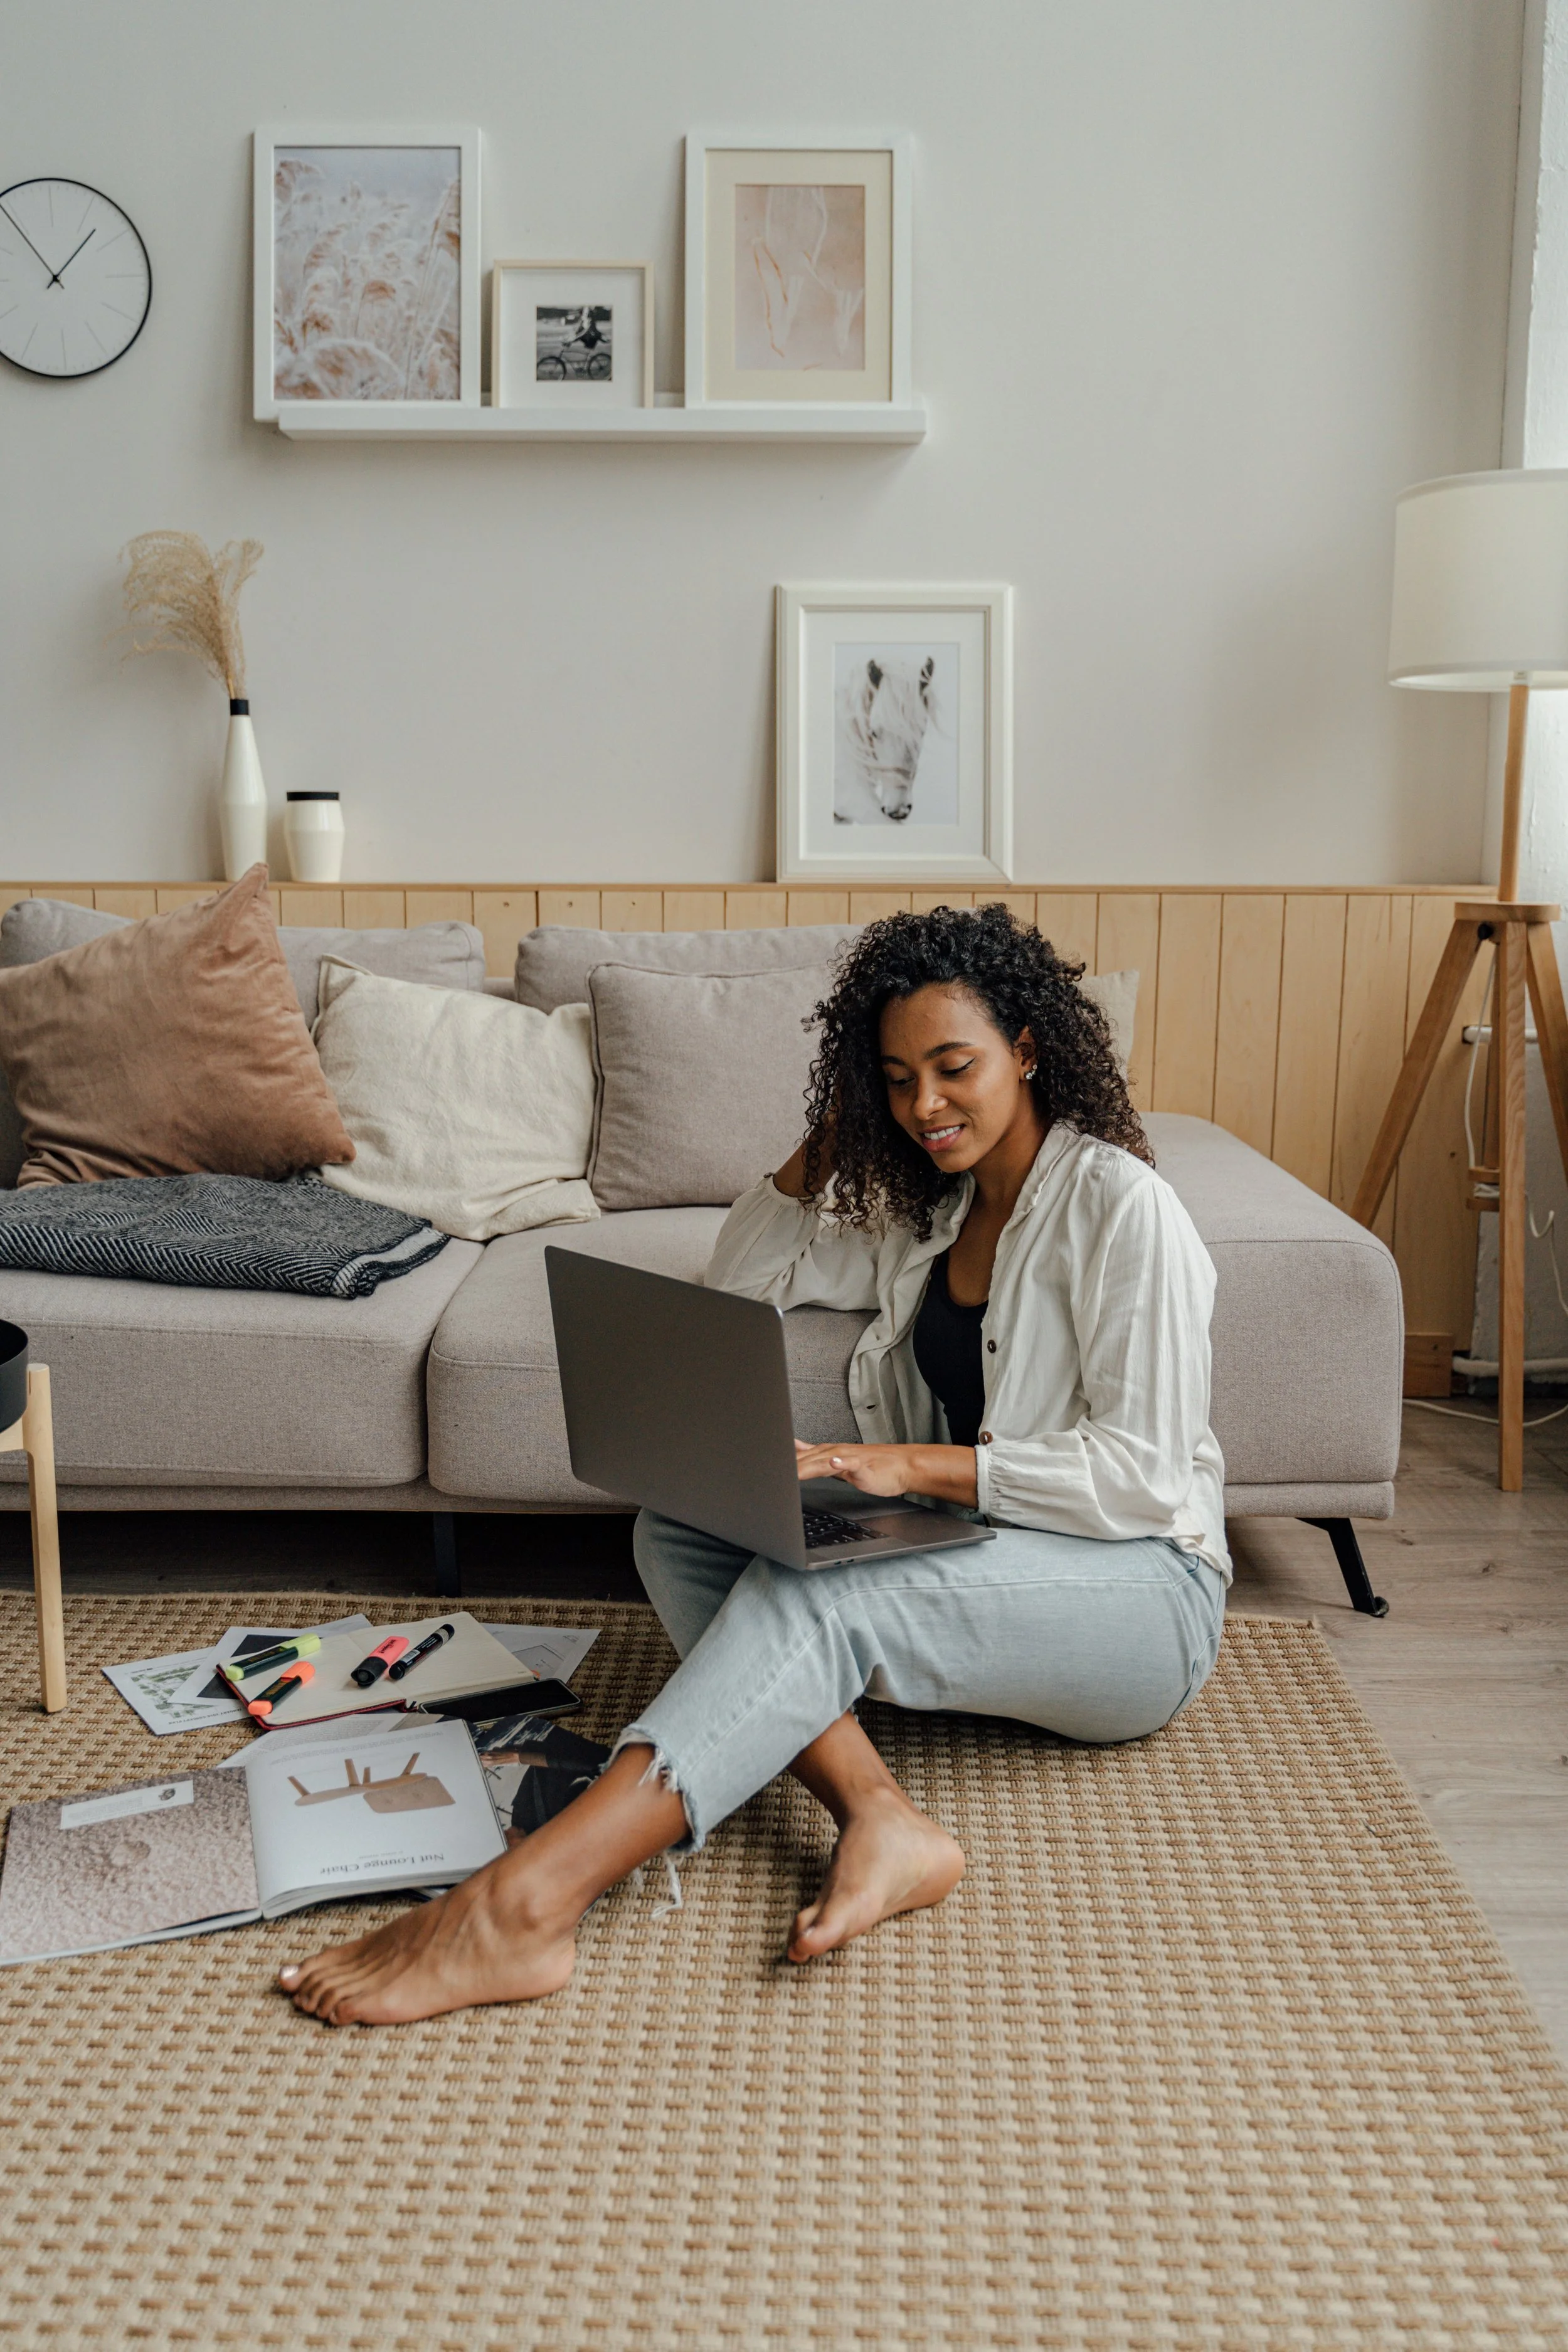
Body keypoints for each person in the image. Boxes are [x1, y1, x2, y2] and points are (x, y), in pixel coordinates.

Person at [279, 903, 1229, 2026]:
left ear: (1028, 1047)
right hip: (993, 1556)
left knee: (819, 1600)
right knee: (679, 1528)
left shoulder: (1124, 1207)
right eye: (895, 1076)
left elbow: (1145, 1477)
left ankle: (528, 1902)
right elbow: (741, 1277)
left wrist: (899, 1467)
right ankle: (881, 1814)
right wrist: (831, 1136)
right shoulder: (936, 1215)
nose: (925, 1104)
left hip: (1144, 1592)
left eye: (954, 1067)